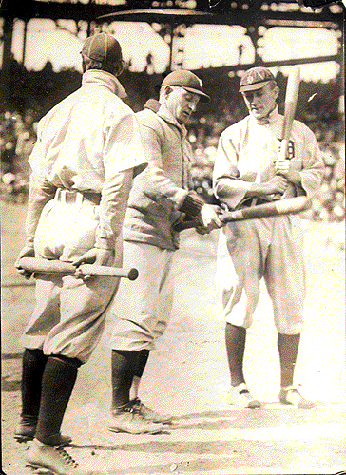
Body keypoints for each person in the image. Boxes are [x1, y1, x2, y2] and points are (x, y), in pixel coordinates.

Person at [14, 32, 147, 475]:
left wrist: (32, 238)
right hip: (90, 217)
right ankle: (46, 442)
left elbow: (38, 182)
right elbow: (117, 186)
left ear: (82, 63)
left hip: (54, 215)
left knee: (44, 320)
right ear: (121, 69)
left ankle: (29, 422)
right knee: (75, 330)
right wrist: (106, 242)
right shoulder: (118, 111)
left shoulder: (58, 110)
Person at [107, 69, 222, 434]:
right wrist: (193, 205)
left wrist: (193, 220)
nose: (191, 105)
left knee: (153, 322)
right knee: (135, 318)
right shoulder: (147, 123)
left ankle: (133, 402)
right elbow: (148, 180)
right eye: (186, 97)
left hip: (163, 236)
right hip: (139, 234)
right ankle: (119, 408)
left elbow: (172, 201)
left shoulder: (178, 133)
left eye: (196, 100)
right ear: (167, 91)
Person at [213, 66, 324, 409]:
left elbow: (317, 175)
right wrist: (260, 187)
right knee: (240, 300)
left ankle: (287, 387)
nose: (253, 101)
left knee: (291, 300)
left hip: (286, 217)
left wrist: (297, 174)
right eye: (247, 95)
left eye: (259, 93)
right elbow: (220, 184)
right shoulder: (235, 133)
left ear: (276, 92)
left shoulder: (301, 133)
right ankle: (238, 385)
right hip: (246, 219)